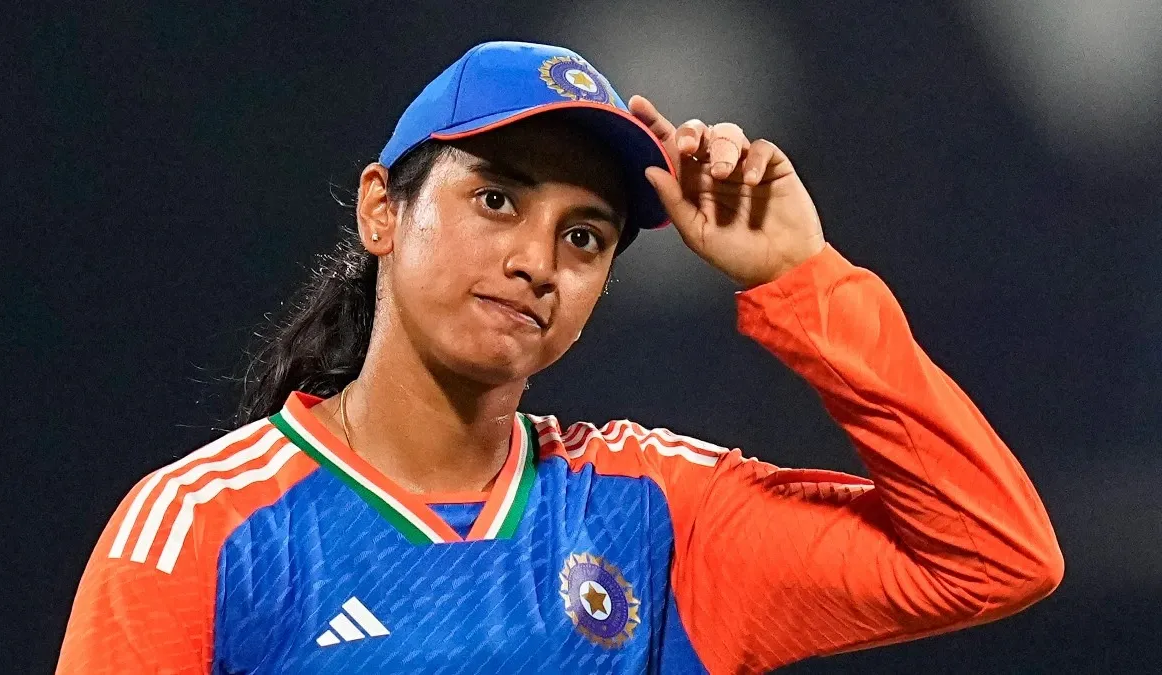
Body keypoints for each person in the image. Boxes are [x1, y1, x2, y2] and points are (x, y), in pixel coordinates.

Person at [56, 41, 1063, 674]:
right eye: (496, 199)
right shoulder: (202, 531)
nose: (536, 261)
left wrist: (801, 279)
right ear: (381, 211)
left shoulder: (655, 511)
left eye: (584, 236)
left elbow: (993, 557)